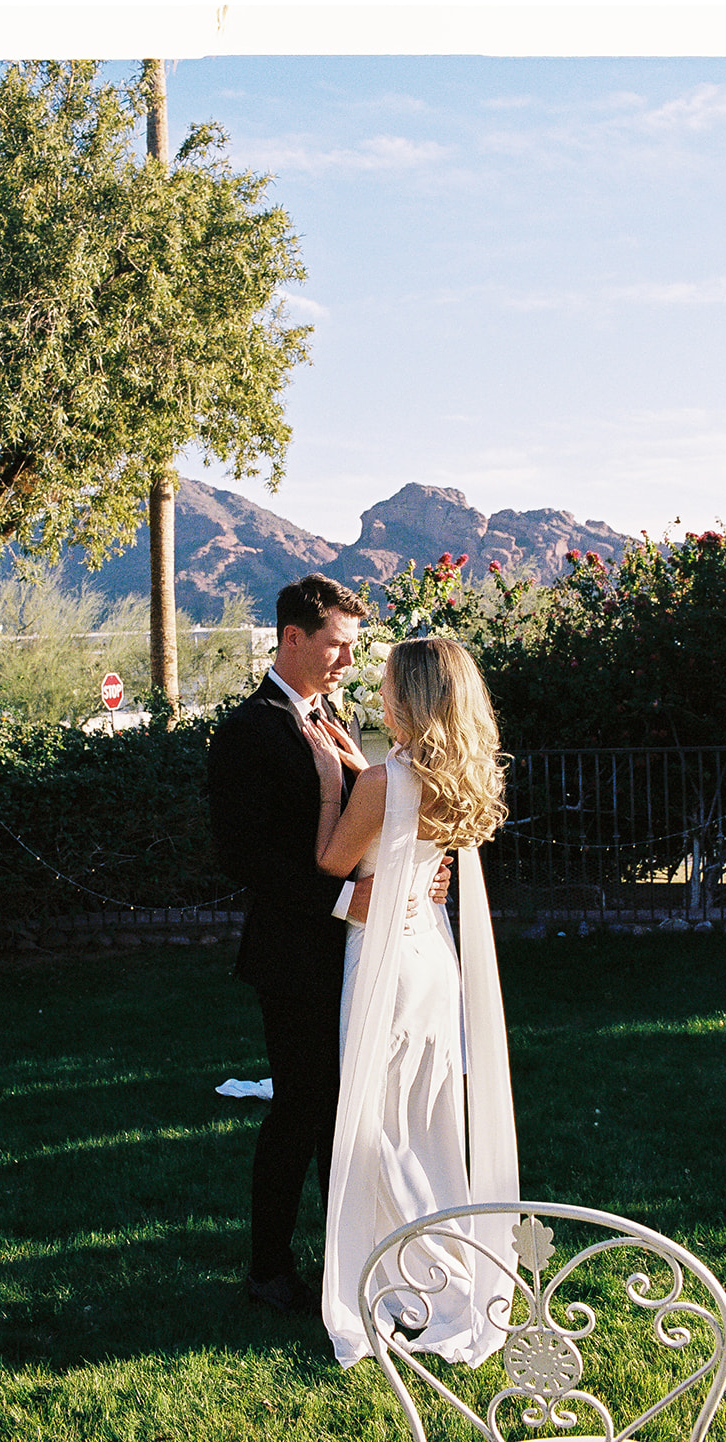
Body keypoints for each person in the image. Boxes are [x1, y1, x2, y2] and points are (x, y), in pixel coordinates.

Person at [207, 574, 449, 1316]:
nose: (349, 661)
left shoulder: (331, 716)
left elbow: (375, 815)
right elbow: (242, 855)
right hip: (294, 955)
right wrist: (342, 899)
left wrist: (419, 873)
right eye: (337, 646)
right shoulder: (249, 731)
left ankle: (348, 1257)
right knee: (301, 1109)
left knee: (351, 1112)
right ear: (293, 638)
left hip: (362, 953)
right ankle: (269, 1269)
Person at [302, 636, 519, 1368]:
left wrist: (332, 781)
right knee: (427, 1120)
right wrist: (362, 767)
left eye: (391, 687)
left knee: (382, 1122)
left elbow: (332, 860)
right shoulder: (456, 774)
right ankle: (432, 1264)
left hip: (384, 959)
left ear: (414, 699)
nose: (381, 697)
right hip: (431, 953)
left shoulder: (380, 781)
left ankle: (413, 1277)